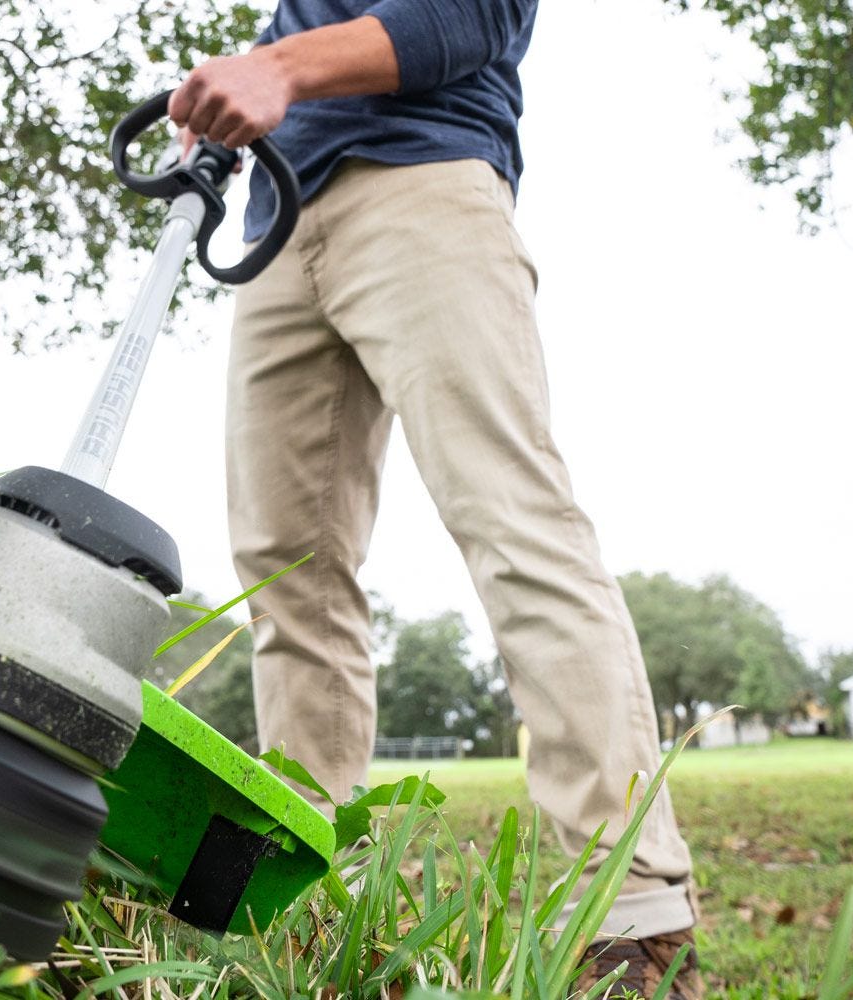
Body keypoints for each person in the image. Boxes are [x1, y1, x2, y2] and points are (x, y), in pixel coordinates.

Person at [167, 2, 703, 997]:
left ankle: (630, 914)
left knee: (511, 516)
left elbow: (476, 15)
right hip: (282, 219)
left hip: (422, 182)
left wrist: (276, 67)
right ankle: (307, 908)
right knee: (285, 569)